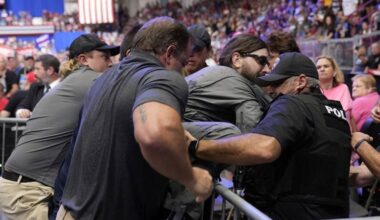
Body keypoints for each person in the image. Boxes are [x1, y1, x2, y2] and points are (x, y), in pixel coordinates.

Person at [57, 17, 213, 220]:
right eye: (182, 64)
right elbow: (155, 134)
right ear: (169, 53)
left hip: (69, 212)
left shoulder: (102, 79)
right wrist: (192, 178)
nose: (183, 71)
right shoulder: (163, 76)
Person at [187, 52, 352, 219]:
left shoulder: (292, 102)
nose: (270, 90)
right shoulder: (337, 114)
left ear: (301, 82)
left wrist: (196, 147)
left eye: (277, 83)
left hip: (286, 212)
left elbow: (263, 148)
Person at [0, 33, 120, 220]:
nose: (111, 63)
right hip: (29, 190)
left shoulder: (72, 82)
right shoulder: (90, 80)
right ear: (83, 59)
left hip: (24, 185)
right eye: (104, 57)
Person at [184, 34, 271, 133]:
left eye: (268, 63)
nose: (267, 70)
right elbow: (255, 136)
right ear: (236, 60)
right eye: (262, 61)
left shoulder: (224, 74)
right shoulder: (234, 81)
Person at [16, 54, 61, 118]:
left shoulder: (65, 88)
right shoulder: (35, 86)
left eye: (37, 69)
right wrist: (22, 112)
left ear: (50, 70)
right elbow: (22, 106)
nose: (34, 73)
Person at [316, 55, 353, 127]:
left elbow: (348, 115)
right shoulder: (313, 90)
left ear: (334, 72)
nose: (322, 69)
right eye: (318, 67)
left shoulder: (343, 88)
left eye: (326, 66)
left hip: (343, 131)